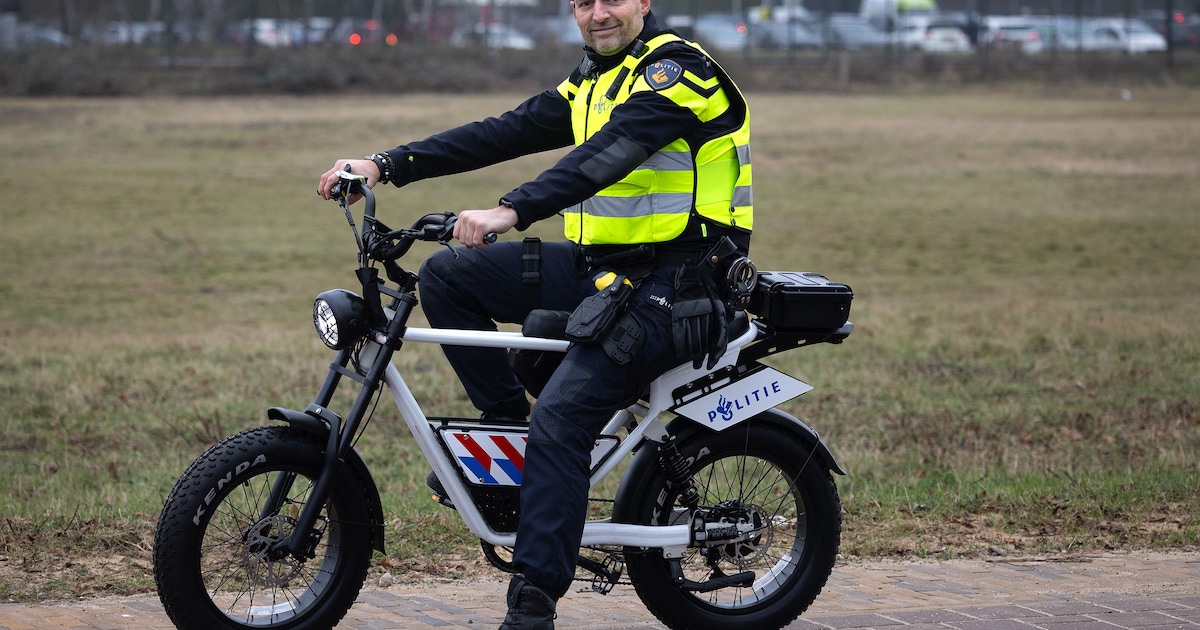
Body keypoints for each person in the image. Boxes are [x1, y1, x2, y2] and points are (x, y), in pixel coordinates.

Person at [317, 0, 753, 626]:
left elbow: (609, 154)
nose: (598, 14)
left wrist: (511, 210)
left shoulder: (682, 72)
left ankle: (533, 603)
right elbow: (506, 131)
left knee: (564, 416)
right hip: (603, 269)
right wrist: (384, 165)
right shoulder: (595, 78)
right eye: (583, 2)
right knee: (448, 275)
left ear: (644, 2)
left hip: (681, 282)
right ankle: (509, 444)